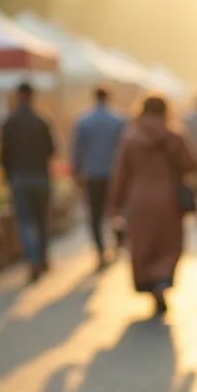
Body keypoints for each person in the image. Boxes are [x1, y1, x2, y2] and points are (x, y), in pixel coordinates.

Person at [109, 95, 197, 315]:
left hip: (138, 200)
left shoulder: (130, 137)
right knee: (168, 244)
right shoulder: (174, 135)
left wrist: (114, 204)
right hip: (168, 199)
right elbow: (192, 163)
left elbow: (121, 173)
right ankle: (162, 281)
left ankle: (150, 285)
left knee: (143, 244)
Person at [0, 82, 56, 282]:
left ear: (18, 96)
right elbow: (51, 150)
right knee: (41, 220)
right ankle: (43, 257)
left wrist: (7, 176)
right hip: (40, 177)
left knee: (24, 222)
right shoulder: (42, 121)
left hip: (19, 177)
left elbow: (3, 154)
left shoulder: (9, 122)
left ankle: (32, 259)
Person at [72, 87, 126, 267]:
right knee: (115, 210)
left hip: (93, 174)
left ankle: (100, 250)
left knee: (94, 215)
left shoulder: (84, 121)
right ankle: (118, 242)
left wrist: (76, 173)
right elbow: (125, 149)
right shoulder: (118, 120)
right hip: (114, 174)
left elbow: (77, 150)